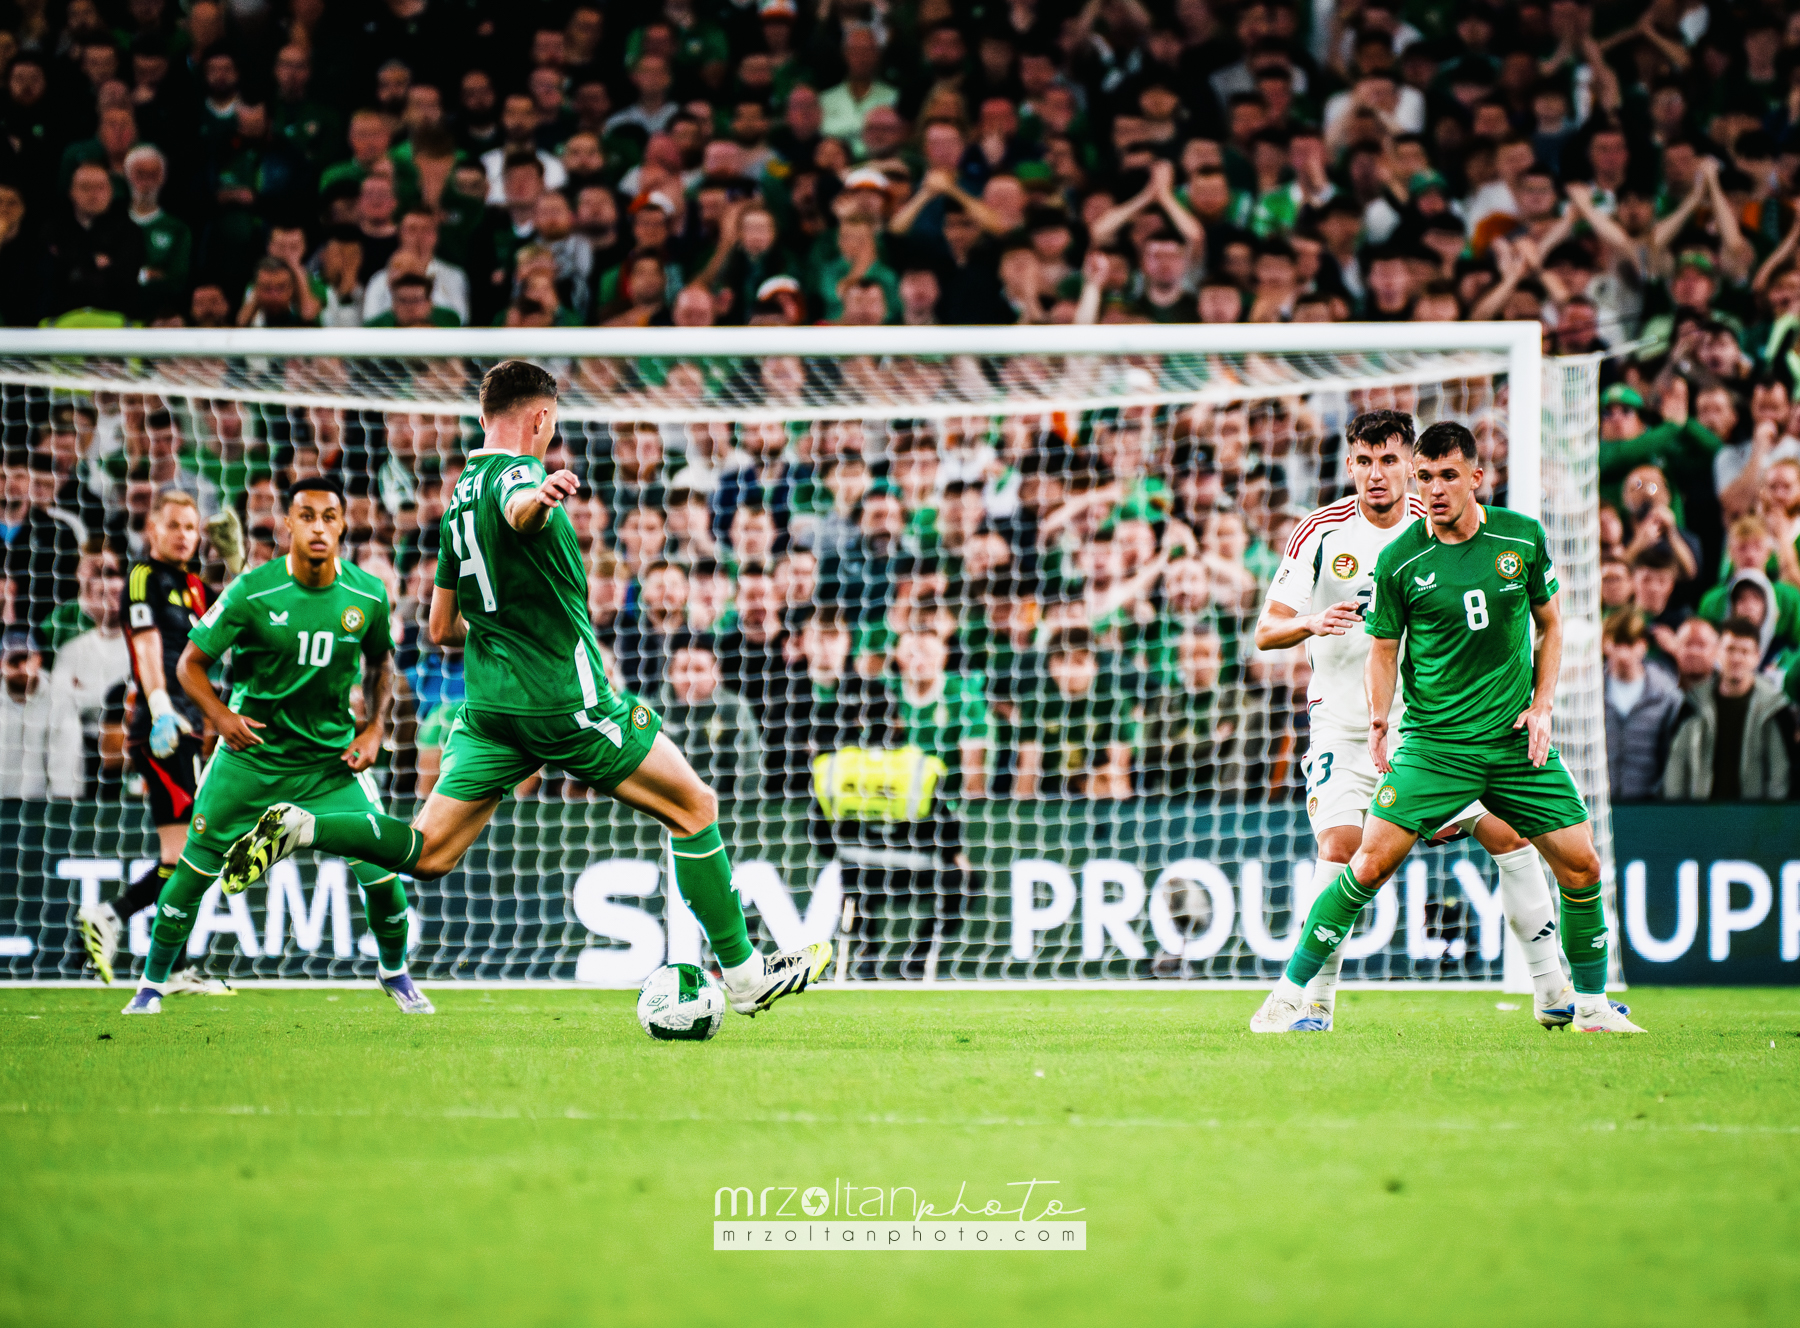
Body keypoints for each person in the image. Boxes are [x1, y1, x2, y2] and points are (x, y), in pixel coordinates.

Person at [214, 362, 829, 1016]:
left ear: (484, 416)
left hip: (489, 710)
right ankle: (744, 975)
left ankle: (308, 827)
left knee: (428, 852)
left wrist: (503, 623)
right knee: (694, 806)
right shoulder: (518, 475)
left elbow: (441, 626)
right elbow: (520, 512)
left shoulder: (456, 500)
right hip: (566, 701)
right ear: (541, 418)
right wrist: (541, 497)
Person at [1252, 421, 1642, 1035]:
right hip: (1345, 727)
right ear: (1350, 466)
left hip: (1430, 726)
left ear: (1409, 466)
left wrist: (1530, 703)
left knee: (1510, 837)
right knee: (1345, 851)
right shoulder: (1323, 532)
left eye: (1389, 461)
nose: (1377, 474)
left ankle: (1555, 992)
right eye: (1363, 461)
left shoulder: (1441, 524)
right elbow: (1265, 631)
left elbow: (1536, 620)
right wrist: (1312, 621)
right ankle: (1312, 1004)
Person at [118, 475, 420, 1014]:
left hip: (330, 764)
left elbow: (381, 663)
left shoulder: (369, 594)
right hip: (250, 760)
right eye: (307, 516)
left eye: (329, 517)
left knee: (384, 881)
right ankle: (150, 986)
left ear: (342, 526)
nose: (318, 527)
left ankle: (395, 973)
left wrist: (375, 728)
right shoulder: (251, 591)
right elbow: (189, 665)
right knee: (191, 874)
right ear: (288, 525)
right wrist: (221, 717)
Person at [76, 489, 228, 993]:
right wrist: (161, 708)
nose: (184, 535)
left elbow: (233, 629)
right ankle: (113, 917)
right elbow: (146, 648)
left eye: (191, 526)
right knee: (187, 854)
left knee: (184, 856)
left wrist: (238, 563)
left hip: (189, 727)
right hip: (160, 728)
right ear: (152, 530)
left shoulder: (195, 587)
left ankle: (167, 960)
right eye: (174, 525)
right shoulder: (143, 577)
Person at [1661, 617, 1791, 801]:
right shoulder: (1693, 705)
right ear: (1717, 652)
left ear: (1757, 657)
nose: (1736, 658)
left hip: (1754, 816)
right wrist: (1678, 813)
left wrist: (1768, 817)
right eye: (1730, 649)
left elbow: (1780, 776)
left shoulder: (1775, 709)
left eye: (1745, 651)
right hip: (1700, 814)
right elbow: (1677, 766)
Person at [1602, 610, 1682, 802]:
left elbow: (1671, 756)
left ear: (1643, 645)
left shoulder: (1666, 696)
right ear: (1604, 644)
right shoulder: (1589, 694)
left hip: (1649, 805)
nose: (1623, 654)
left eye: (1630, 644)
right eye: (1617, 644)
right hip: (1599, 801)